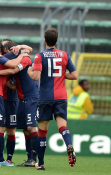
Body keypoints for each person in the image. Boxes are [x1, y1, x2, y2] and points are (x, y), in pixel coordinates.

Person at [27, 28, 78, 170]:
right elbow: (74, 76)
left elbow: (36, 77)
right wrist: (61, 75)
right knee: (63, 126)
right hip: (61, 97)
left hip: (45, 98)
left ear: (45, 40)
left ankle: (41, 163)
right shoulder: (65, 55)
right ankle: (68, 145)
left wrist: (29, 71)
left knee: (42, 131)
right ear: (56, 40)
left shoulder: (39, 56)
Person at [0, 41, 39, 167]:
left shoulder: (24, 59)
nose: (4, 52)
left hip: (31, 98)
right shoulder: (20, 55)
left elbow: (14, 70)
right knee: (25, 130)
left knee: (31, 128)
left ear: (10, 49)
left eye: (5, 49)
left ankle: (34, 159)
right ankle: (30, 159)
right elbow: (14, 84)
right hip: (22, 99)